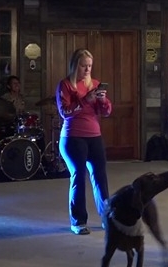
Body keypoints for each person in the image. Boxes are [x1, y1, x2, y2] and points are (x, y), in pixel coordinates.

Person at [55, 48, 113, 235]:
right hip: (73, 137)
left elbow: (106, 112)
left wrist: (103, 101)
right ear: (75, 66)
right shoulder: (65, 85)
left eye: (89, 66)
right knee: (79, 176)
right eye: (83, 66)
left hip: (94, 136)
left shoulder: (95, 84)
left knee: (100, 176)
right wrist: (85, 100)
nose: (87, 69)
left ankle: (106, 216)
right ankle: (78, 221)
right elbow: (65, 112)